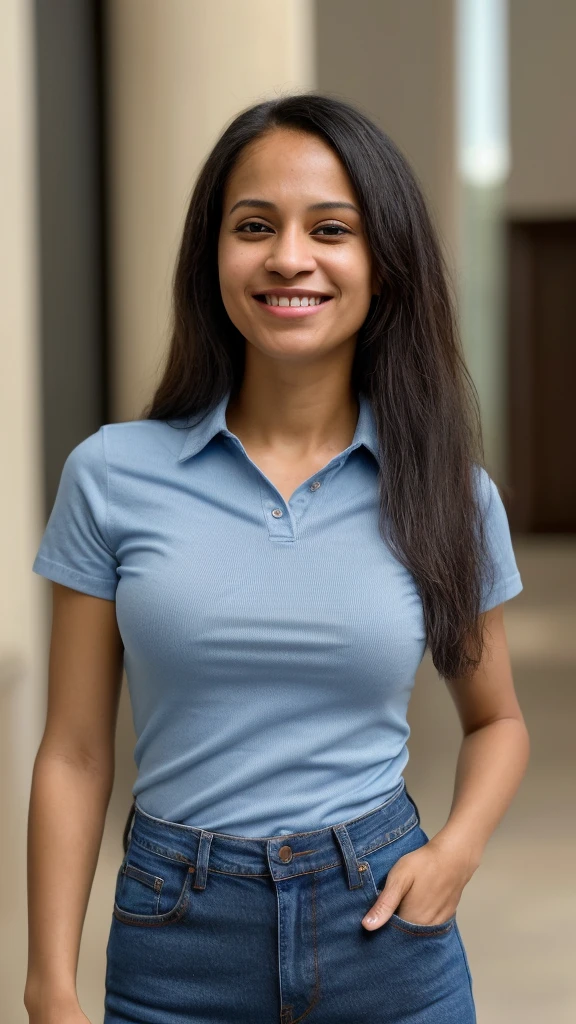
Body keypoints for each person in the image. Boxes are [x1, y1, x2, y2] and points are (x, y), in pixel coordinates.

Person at [25, 93, 529, 1024]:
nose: (289, 257)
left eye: (331, 228)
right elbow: (76, 750)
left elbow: (497, 723)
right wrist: (49, 982)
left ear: (384, 263)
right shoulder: (111, 475)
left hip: (384, 931)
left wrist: (453, 851)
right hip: (176, 934)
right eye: (254, 225)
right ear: (212, 256)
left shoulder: (448, 493)